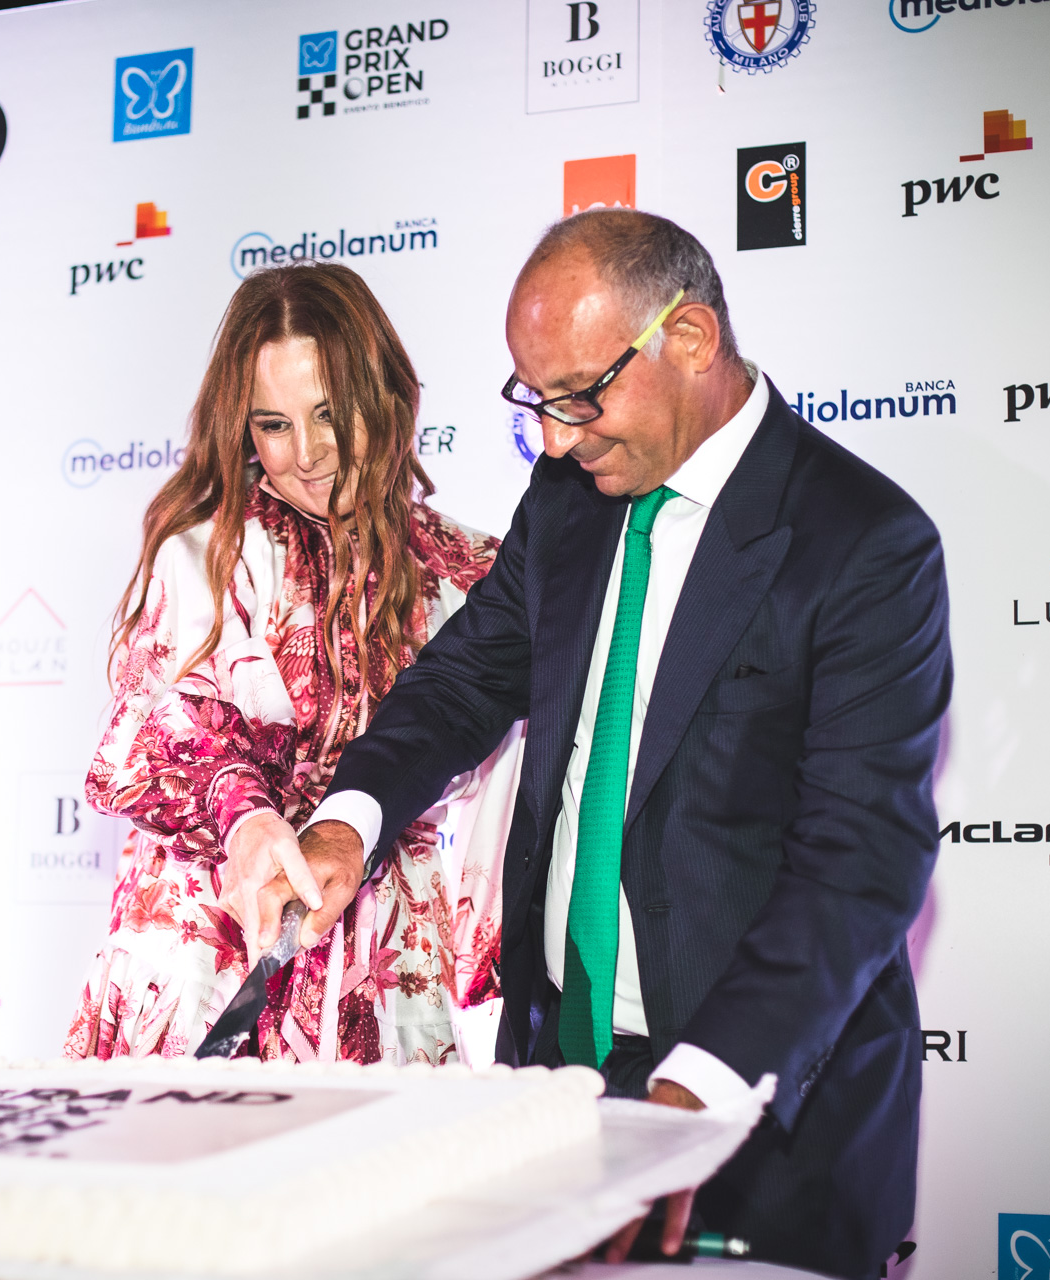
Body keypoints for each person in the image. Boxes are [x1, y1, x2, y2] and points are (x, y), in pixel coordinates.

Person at [286, 211, 951, 1280]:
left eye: (579, 395)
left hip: (752, 1111)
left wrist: (699, 1091)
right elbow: (464, 681)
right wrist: (346, 820)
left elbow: (859, 861)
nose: (554, 438)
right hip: (560, 1089)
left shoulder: (864, 542)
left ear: (688, 339)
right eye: (533, 400)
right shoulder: (570, 499)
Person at [64, 262, 514, 1066]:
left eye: (330, 413)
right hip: (210, 950)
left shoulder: (470, 570)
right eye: (274, 424)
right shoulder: (206, 551)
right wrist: (245, 817)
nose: (307, 455)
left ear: (387, 396)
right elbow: (165, 722)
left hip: (383, 961)